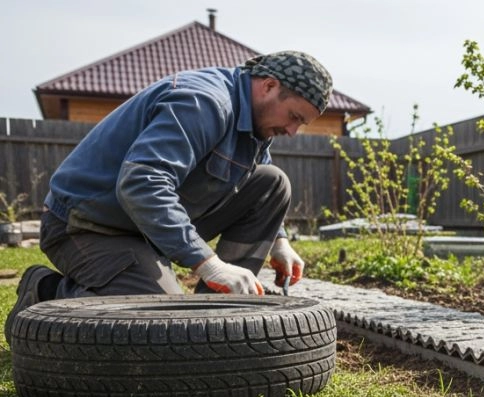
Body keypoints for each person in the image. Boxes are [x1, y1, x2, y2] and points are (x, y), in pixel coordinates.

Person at [5, 51, 331, 342]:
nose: (293, 131)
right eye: (294, 117)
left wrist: (279, 241)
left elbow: (256, 174)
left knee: (273, 183)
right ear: (269, 86)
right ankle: (46, 292)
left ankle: (215, 312)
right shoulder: (203, 103)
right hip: (87, 225)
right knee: (159, 319)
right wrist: (209, 264)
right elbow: (143, 184)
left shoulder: (256, 120)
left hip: (145, 226)